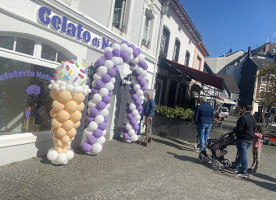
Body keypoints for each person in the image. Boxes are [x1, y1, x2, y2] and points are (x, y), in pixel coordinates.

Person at [231, 105, 257, 178]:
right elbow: (254, 128)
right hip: (250, 139)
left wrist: (234, 131)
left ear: (244, 108)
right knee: (241, 153)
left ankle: (243, 171)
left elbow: (239, 128)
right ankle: (236, 166)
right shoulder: (253, 118)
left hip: (243, 138)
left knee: (243, 155)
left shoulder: (243, 118)